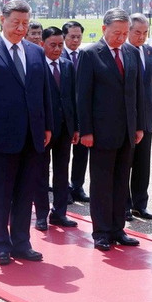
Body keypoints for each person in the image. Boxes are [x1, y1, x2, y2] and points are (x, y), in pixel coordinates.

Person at [0, 0, 53, 265]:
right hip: (0, 135)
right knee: (2, 194)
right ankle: (0, 245)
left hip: (32, 134)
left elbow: (45, 93)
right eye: (16, 22)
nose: (20, 28)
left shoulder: (36, 52)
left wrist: (47, 125)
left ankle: (21, 242)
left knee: (25, 193)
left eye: (25, 24)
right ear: (1, 19)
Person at [76, 8, 144, 252]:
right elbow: (82, 96)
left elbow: (136, 92)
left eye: (125, 33)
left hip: (127, 131)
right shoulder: (91, 54)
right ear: (104, 29)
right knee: (102, 183)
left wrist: (138, 126)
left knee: (120, 182)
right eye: (117, 33)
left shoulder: (131, 53)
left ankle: (118, 229)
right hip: (101, 132)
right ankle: (101, 231)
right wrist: (86, 131)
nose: (121, 37)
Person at [33, 26, 78, 230]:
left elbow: (74, 99)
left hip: (65, 128)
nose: (57, 49)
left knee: (62, 172)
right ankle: (41, 214)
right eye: (53, 45)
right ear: (42, 44)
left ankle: (59, 213)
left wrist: (76, 127)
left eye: (61, 45)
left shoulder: (68, 66)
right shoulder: (36, 66)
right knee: (41, 173)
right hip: (44, 130)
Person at [126, 13, 152, 221]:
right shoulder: (123, 52)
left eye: (145, 32)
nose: (141, 36)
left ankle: (140, 204)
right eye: (137, 32)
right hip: (129, 119)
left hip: (147, 117)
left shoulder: (151, 52)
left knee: (142, 164)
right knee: (125, 163)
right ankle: (124, 206)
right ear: (129, 31)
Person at [62, 21, 89, 203]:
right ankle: (63, 188)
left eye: (79, 36)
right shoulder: (56, 54)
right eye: (72, 36)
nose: (76, 40)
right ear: (64, 36)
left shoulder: (86, 55)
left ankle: (77, 186)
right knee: (62, 154)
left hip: (83, 113)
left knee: (81, 153)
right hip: (64, 114)